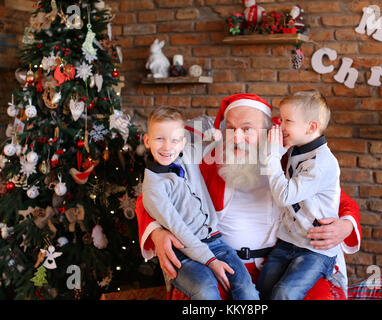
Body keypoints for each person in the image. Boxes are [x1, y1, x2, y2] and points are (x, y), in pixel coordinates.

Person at [136, 93, 361, 300]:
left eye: (247, 129)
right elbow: (154, 191)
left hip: (281, 263)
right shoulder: (207, 161)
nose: (237, 138)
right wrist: (157, 232)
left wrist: (345, 226)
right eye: (231, 129)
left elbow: (338, 200)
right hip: (222, 264)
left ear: (267, 132)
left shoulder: (287, 162)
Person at [140, 106, 259, 300]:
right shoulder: (153, 188)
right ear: (147, 140)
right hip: (183, 252)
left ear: (183, 143)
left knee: (247, 291)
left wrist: (217, 136)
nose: (167, 146)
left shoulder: (186, 154)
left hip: (216, 241)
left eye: (174, 140)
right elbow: (179, 230)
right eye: (159, 138)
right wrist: (211, 261)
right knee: (206, 290)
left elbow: (211, 145)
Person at [257, 91, 341, 300]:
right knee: (263, 287)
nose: (280, 125)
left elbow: (284, 196)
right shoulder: (298, 149)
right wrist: (282, 151)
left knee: (285, 293)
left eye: (288, 121)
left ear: (311, 127)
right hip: (289, 240)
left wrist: (273, 156)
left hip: (315, 249)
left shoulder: (321, 162)